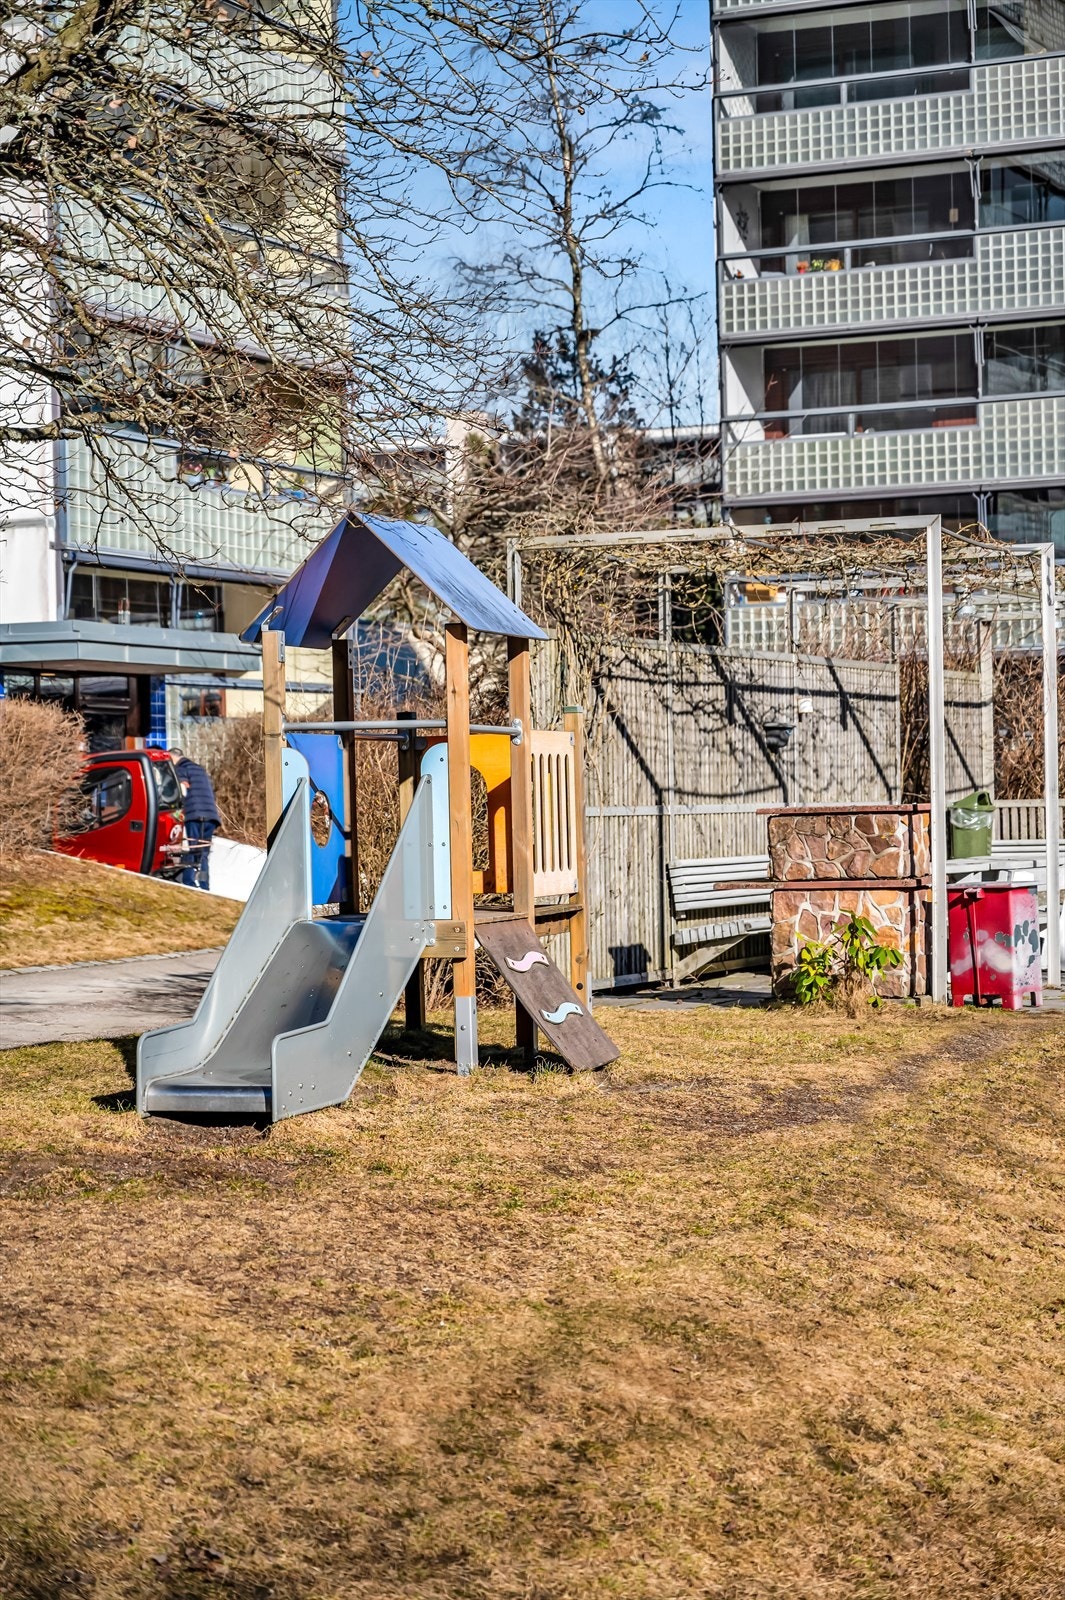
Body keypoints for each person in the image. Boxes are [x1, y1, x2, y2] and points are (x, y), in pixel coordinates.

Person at [169, 747, 221, 890]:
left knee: (192, 849)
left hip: (194, 814)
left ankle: (189, 883)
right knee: (203, 853)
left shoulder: (181, 768)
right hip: (211, 815)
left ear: (172, 758)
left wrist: (176, 809)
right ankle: (204, 885)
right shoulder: (200, 769)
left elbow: (183, 787)